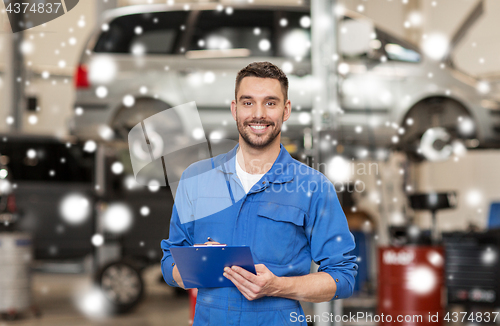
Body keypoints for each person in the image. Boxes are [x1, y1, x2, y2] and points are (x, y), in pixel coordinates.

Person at [161, 62, 357, 325]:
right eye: (248, 102)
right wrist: (199, 265)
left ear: (286, 110)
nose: (258, 114)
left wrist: (277, 286)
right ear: (234, 109)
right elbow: (169, 262)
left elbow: (342, 277)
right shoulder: (196, 179)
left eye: (270, 103)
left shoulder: (313, 187)